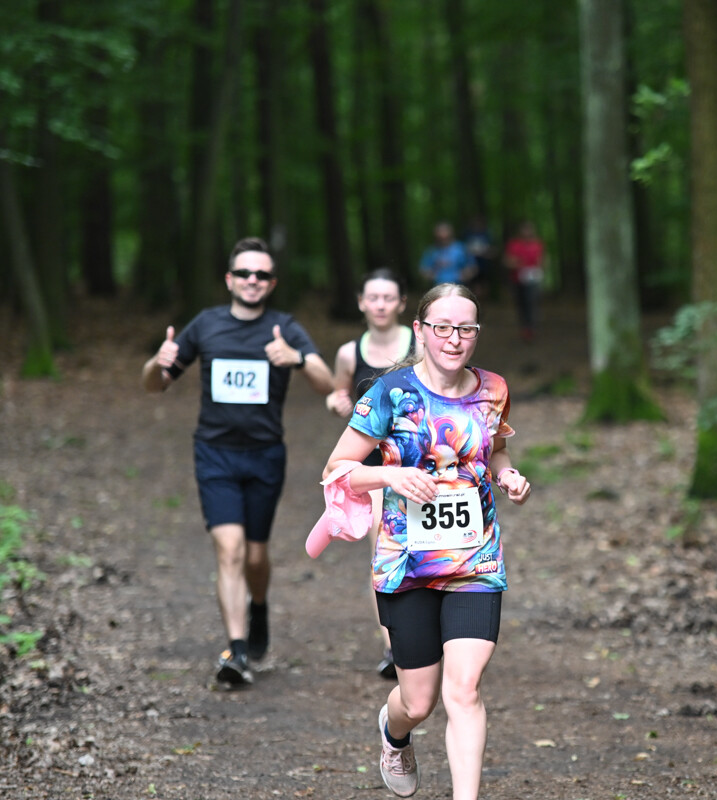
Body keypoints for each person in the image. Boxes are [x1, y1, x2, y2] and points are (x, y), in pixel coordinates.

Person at [320, 283, 531, 799]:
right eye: (443, 327)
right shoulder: (391, 394)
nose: (454, 339)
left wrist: (506, 476)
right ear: (420, 330)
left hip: (475, 561)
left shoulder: (493, 388)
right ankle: (394, 734)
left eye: (466, 328)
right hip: (406, 565)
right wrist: (390, 478)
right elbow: (336, 470)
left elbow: (493, 452)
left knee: (464, 690)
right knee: (418, 702)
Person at [141, 236, 333, 686]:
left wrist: (298, 357)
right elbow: (155, 384)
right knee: (229, 549)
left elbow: (326, 383)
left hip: (266, 456)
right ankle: (237, 650)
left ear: (272, 283)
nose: (252, 280)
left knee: (256, 555)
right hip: (215, 454)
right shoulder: (206, 325)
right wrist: (156, 362)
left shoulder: (285, 328)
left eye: (261, 274)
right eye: (244, 273)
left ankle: (259, 607)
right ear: (229, 279)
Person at [324, 268, 415, 680]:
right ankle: (394, 647)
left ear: (401, 303)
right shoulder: (348, 353)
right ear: (361, 302)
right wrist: (336, 404)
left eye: (388, 297)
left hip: (418, 463)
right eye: (372, 298)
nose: (380, 305)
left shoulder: (421, 345)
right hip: (374, 470)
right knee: (385, 547)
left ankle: (428, 636)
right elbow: (339, 393)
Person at [502, 220, 545, 342]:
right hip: (517, 280)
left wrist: (539, 268)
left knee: (531, 302)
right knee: (521, 303)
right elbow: (507, 261)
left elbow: (542, 260)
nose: (527, 232)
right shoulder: (514, 245)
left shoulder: (537, 244)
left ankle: (531, 328)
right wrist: (516, 263)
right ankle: (524, 327)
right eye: (525, 230)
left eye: (529, 229)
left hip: (533, 279)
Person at [418, 221, 475, 286]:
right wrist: (432, 276)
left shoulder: (461, 248)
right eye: (440, 232)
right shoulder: (431, 251)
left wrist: (464, 275)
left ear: (451, 233)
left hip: (459, 287)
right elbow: (423, 269)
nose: (443, 235)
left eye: (445, 231)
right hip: (438, 288)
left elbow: (472, 267)